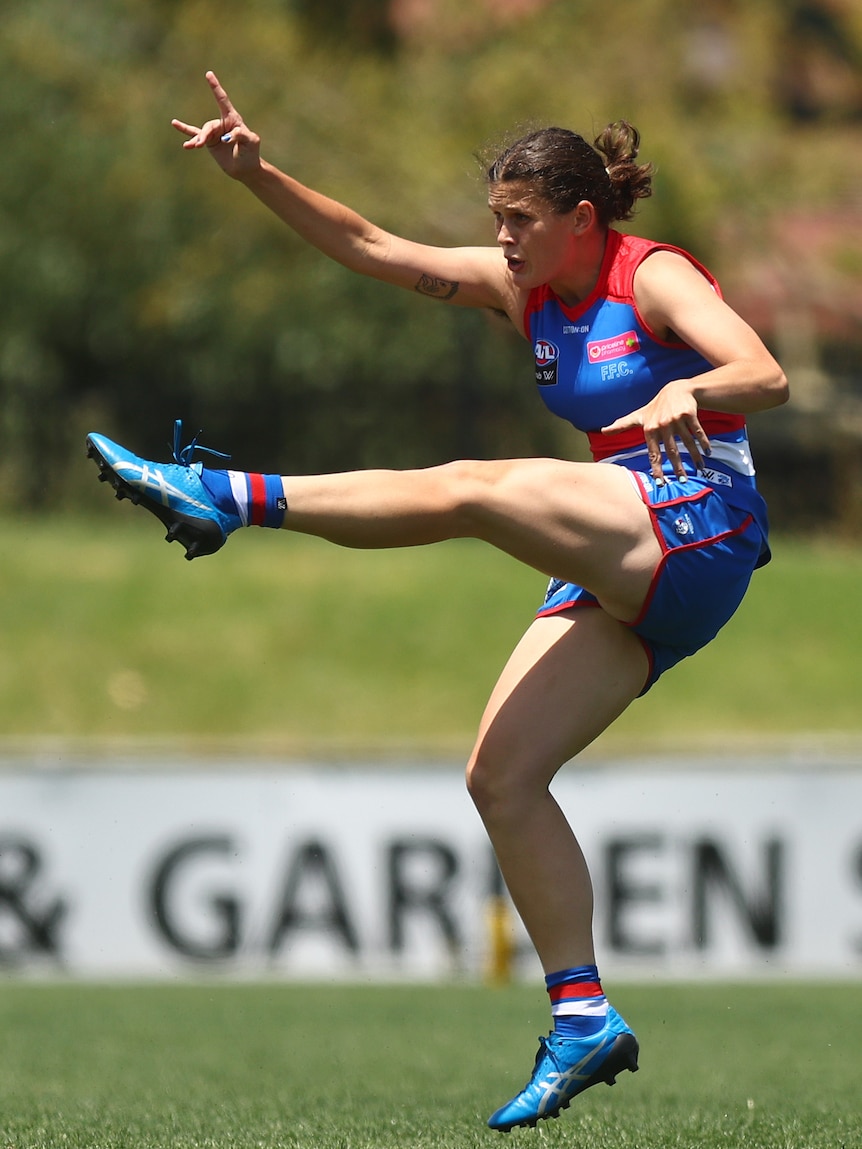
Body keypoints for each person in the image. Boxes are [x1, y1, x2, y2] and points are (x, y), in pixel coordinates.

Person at [86, 71, 788, 1132]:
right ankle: (583, 1014)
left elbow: (766, 374)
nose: (501, 241)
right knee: (501, 779)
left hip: (699, 516)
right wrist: (259, 174)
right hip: (629, 545)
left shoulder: (652, 279)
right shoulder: (526, 291)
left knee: (469, 487)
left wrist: (692, 386)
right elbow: (377, 249)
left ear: (579, 219)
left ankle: (225, 495)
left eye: (519, 221)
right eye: (494, 221)